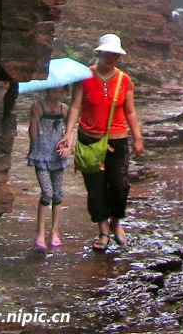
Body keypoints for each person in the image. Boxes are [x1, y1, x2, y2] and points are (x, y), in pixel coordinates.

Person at [56, 33, 143, 252]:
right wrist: (69, 134)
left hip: (118, 141)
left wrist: (137, 138)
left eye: (115, 54)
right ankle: (103, 231)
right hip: (89, 140)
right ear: (100, 52)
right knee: (95, 189)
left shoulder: (124, 80)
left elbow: (130, 112)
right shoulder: (84, 76)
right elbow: (75, 106)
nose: (111, 57)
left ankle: (116, 223)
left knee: (120, 186)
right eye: (107, 53)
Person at [27, 85, 69, 252]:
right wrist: (34, 117)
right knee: (47, 192)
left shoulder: (64, 108)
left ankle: (55, 231)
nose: (56, 95)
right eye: (53, 91)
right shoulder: (39, 106)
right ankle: (40, 233)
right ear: (47, 91)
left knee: (57, 194)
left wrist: (67, 146)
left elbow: (69, 131)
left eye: (61, 92)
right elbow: (32, 135)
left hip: (58, 156)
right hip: (41, 155)